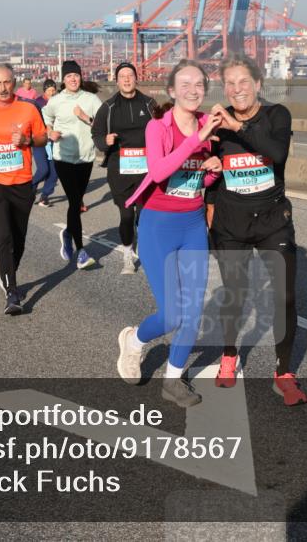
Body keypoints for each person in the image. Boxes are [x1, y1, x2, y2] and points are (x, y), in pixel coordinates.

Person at [115, 60, 223, 408]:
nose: (194, 90)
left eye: (199, 84)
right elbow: (160, 170)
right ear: (172, 91)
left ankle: (173, 380)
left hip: (192, 225)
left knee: (192, 312)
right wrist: (197, 140)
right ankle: (134, 341)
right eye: (185, 84)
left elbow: (197, 181)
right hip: (158, 226)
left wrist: (213, 171)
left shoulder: (209, 124)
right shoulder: (158, 128)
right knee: (172, 314)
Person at [206, 54, 307, 406]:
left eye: (243, 82)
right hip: (230, 225)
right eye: (230, 84)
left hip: (272, 222)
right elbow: (208, 172)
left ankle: (284, 373)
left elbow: (276, 154)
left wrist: (237, 128)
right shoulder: (216, 125)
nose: (237, 90)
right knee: (235, 293)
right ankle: (230, 355)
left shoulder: (277, 115)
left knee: (285, 296)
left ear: (258, 84)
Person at [0, 64, 48, 315]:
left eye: (7, 82)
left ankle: (6, 274)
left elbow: (43, 138)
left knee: (19, 239)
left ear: (14, 83)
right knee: (3, 236)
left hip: (22, 181)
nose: (3, 88)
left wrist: (26, 141)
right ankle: (12, 292)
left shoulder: (29, 108)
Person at [91, 62, 157, 274]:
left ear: (136, 79)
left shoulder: (149, 104)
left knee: (145, 216)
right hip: (120, 169)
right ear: (117, 81)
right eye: (122, 76)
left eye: (130, 75)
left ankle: (146, 252)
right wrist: (105, 141)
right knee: (127, 215)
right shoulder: (108, 107)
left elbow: (163, 128)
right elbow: (97, 133)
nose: (127, 79)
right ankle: (128, 254)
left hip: (147, 169)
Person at [41, 60, 103, 269]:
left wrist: (85, 117)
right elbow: (46, 116)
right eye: (69, 76)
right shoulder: (56, 101)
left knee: (76, 203)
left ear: (80, 77)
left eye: (76, 75)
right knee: (75, 202)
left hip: (86, 157)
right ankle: (81, 251)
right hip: (63, 157)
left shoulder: (91, 99)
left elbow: (103, 123)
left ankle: (67, 233)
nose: (73, 79)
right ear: (63, 79)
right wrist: (50, 132)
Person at [31, 79, 60, 207]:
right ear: (44, 91)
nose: (52, 93)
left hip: (54, 141)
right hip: (40, 140)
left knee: (54, 172)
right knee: (43, 170)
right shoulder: (38, 103)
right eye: (49, 90)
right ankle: (30, 188)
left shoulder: (60, 102)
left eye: (54, 90)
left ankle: (44, 196)